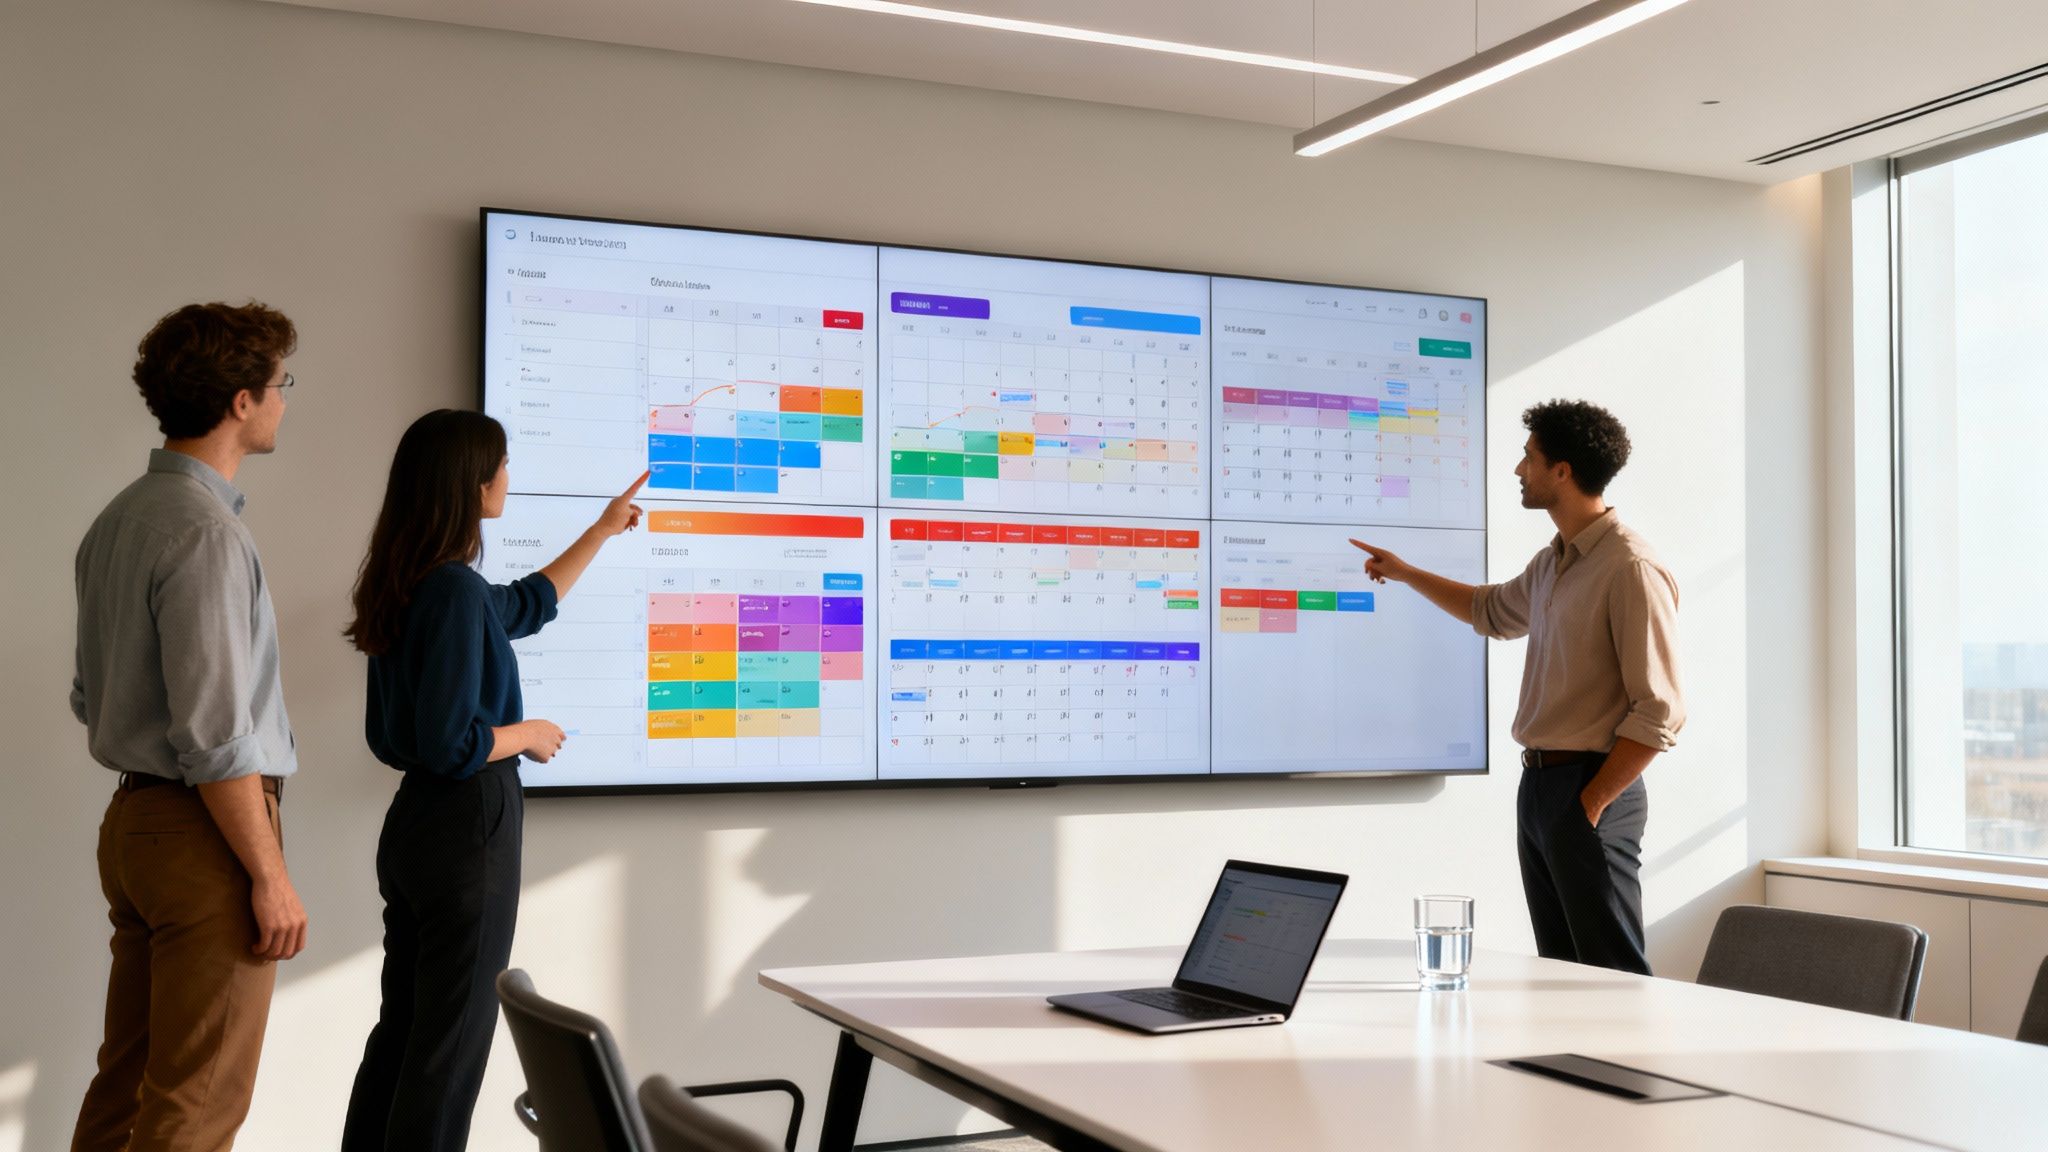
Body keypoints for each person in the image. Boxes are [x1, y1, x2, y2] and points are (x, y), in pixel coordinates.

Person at [338, 409, 645, 1152]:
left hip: (416, 827)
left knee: (407, 1032)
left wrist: (602, 530)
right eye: (502, 464)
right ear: (472, 483)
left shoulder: (418, 585)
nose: (510, 477)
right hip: (466, 825)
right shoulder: (450, 591)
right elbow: (453, 744)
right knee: (450, 1050)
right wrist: (526, 734)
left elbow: (523, 606)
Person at [70, 302, 310, 1151]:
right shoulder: (206, 533)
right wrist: (268, 873)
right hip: (203, 829)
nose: (285, 399)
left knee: (127, 1088)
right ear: (240, 401)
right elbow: (213, 737)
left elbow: (89, 698)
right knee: (196, 1105)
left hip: (135, 825)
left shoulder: (119, 520)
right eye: (280, 384)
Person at [1352, 400, 1683, 974]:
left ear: (1563, 470)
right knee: (1561, 969)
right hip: (1541, 789)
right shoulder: (1553, 563)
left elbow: (1660, 711)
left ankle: (1631, 1066)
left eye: (1528, 457)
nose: (1517, 469)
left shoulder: (1630, 567)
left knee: (1613, 972)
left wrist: (1592, 802)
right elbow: (1489, 611)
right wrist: (1405, 573)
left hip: (1592, 786)